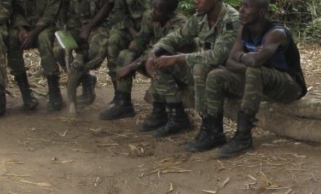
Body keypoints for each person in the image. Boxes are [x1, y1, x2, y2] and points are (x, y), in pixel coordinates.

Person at [189, 0, 305, 157]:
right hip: (259, 81)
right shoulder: (244, 28)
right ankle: (213, 131)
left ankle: (243, 136)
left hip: (289, 86)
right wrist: (246, 57)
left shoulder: (276, 33)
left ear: (262, 12)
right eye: (241, 5)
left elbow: (255, 62)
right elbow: (230, 62)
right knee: (216, 75)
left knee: (255, 71)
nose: (241, 10)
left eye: (247, 7)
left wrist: (243, 57)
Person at [145, 0, 238, 137]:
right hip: (204, 72)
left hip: (227, 78)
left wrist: (177, 58)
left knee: (200, 68)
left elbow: (216, 56)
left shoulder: (232, 19)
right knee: (159, 63)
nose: (196, 1)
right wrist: (154, 51)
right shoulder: (200, 16)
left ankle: (211, 130)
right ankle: (177, 117)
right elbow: (178, 36)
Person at [104, 0, 184, 124]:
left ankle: (160, 111)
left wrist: (131, 66)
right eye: (153, 8)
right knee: (125, 55)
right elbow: (141, 39)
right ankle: (123, 103)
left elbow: (162, 51)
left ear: (168, 13)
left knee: (157, 62)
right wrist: (131, 53)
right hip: (153, 58)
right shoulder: (150, 16)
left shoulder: (178, 24)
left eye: (157, 10)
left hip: (177, 65)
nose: (153, 12)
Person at [92, 0, 143, 119]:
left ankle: (163, 107)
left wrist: (142, 38)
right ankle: (121, 97)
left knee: (126, 55)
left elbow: (163, 10)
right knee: (114, 42)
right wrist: (133, 32)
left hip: (153, 29)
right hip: (131, 28)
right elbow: (121, 13)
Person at [60, 0, 110, 107]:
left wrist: (88, 28)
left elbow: (107, 5)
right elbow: (63, 4)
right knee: (58, 49)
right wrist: (63, 25)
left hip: (97, 24)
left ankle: (79, 75)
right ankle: (85, 78)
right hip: (73, 24)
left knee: (96, 51)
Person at [13, 0, 61, 110]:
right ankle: (26, 93)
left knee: (44, 38)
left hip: (46, 27)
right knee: (12, 39)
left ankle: (54, 90)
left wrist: (33, 34)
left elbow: (50, 14)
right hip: (24, 27)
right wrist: (21, 28)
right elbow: (15, 10)